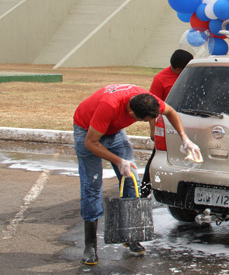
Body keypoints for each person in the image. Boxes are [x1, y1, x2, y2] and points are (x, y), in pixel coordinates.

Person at [74, 84, 201, 265]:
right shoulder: (109, 106)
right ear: (132, 115)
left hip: (114, 132)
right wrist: (119, 161)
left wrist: (184, 138)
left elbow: (171, 112)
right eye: (145, 120)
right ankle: (90, 245)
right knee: (92, 186)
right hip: (87, 131)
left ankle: (130, 235)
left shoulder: (147, 99)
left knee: (131, 179)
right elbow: (91, 143)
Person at [140, 49, 194, 197]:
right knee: (157, 156)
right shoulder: (161, 79)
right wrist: (153, 130)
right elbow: (151, 108)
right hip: (169, 125)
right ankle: (144, 190)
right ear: (177, 69)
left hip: (190, 122)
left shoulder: (191, 75)